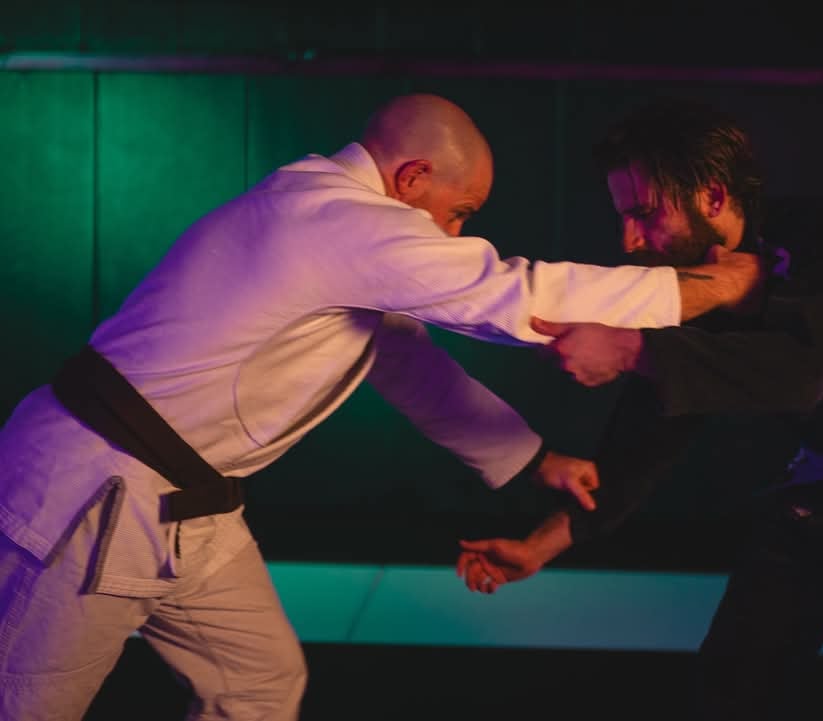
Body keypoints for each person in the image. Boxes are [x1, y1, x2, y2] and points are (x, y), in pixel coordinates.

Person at [0, 92, 762, 721]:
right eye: (459, 212)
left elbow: (406, 366)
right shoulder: (337, 219)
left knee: (258, 686)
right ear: (413, 177)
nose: (458, 233)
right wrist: (724, 283)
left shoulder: (331, 225)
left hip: (187, 506)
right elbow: (517, 292)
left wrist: (536, 458)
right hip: (92, 488)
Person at [456, 97, 823, 721]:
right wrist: (541, 545)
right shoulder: (684, 284)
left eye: (644, 213)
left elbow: (801, 373)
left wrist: (629, 346)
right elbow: (649, 431)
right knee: (736, 675)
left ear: (714, 197)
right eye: (623, 217)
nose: (629, 240)